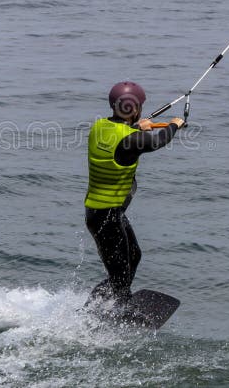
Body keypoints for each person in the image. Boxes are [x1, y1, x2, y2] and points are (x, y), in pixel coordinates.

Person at [84, 81, 184, 306]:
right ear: (135, 108)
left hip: (102, 213)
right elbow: (158, 141)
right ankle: (113, 314)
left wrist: (138, 127)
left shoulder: (98, 126)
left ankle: (102, 307)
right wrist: (175, 124)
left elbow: (120, 137)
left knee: (133, 257)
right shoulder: (132, 139)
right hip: (107, 216)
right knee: (119, 277)